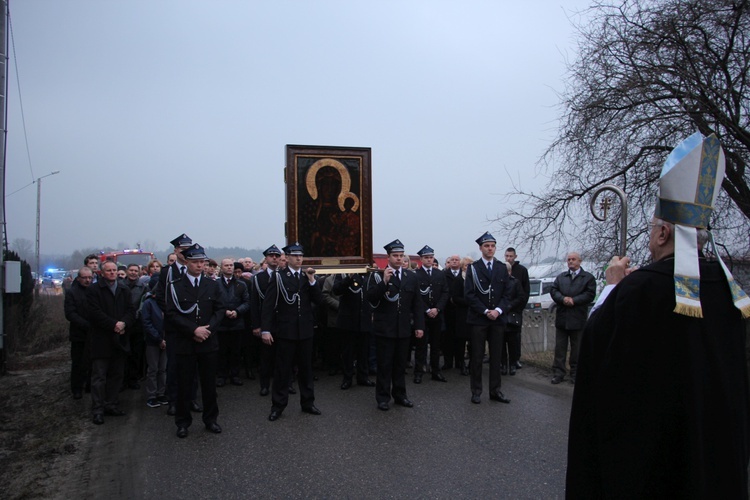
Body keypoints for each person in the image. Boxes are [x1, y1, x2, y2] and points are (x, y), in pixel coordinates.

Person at [566, 132, 750, 498]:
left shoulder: (638, 290)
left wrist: (613, 287)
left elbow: (597, 354)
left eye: (652, 231)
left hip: (655, 459)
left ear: (664, 232)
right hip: (713, 450)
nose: (650, 239)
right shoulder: (730, 291)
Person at [165, 243, 226, 438]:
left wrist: (208, 330)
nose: (200, 265)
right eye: (196, 262)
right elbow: (172, 314)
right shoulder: (175, 287)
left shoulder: (212, 284)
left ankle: (211, 419)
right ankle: (183, 422)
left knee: (209, 385)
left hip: (208, 342)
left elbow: (220, 309)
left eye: (202, 262)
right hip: (186, 342)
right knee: (185, 385)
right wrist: (193, 330)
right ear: (187, 262)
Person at [261, 243, 323, 421]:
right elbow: (268, 305)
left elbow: (318, 300)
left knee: (306, 370)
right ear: (286, 258)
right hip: (285, 331)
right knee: (282, 370)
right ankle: (278, 406)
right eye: (294, 256)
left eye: (301, 256)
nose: (298, 258)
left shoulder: (307, 276)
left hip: (305, 330)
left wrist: (312, 281)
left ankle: (308, 402)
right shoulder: (279, 277)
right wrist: (266, 329)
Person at [366, 239, 425, 411]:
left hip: (403, 328)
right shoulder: (378, 275)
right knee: (385, 365)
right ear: (389, 257)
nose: (398, 259)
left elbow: (417, 303)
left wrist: (419, 326)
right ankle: (383, 397)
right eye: (395, 256)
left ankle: (400, 395)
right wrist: (383, 282)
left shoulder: (411, 277)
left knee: (400, 365)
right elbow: (371, 298)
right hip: (385, 328)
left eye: (401, 256)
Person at [464, 232, 512, 405]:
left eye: (492, 246)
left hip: (497, 319)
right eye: (486, 246)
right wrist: (486, 311)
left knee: (496, 357)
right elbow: (469, 294)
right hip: (479, 319)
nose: (490, 249)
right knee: (477, 356)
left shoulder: (501, 267)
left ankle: (495, 390)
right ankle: (476, 391)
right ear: (481, 248)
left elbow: (507, 293)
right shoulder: (473, 268)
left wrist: (498, 310)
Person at [86, 260, 136, 424]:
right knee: (99, 376)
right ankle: (98, 409)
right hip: (101, 339)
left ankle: (111, 404)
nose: (112, 273)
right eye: (108, 271)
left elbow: (131, 310)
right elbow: (94, 312)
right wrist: (113, 324)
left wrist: (124, 323)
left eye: (114, 270)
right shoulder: (94, 290)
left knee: (117, 375)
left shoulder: (124, 289)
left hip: (120, 339)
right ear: (102, 272)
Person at [549, 252, 596, 384]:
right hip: (562, 318)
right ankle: (558, 372)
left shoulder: (587, 278)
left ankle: (575, 373)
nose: (570, 262)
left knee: (577, 349)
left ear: (579, 261)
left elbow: (590, 294)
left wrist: (574, 300)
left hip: (578, 319)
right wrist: (563, 299)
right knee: (560, 348)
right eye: (568, 260)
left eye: (573, 259)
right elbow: (554, 291)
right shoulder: (561, 277)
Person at [413, 245, 450, 383]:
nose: (429, 260)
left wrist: (437, 308)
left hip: (437, 315)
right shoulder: (416, 275)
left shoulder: (439, 274)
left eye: (431, 257)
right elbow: (416, 296)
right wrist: (427, 310)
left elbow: (445, 292)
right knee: (421, 346)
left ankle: (436, 371)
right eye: (426, 257)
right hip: (423, 316)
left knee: (436, 345)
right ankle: (418, 372)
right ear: (421, 259)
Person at [333, 270, 375, 389]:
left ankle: (363, 377)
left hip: (364, 319)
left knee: (364, 351)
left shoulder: (370, 274)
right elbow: (336, 290)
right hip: (348, 320)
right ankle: (347, 378)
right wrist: (349, 278)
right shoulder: (342, 274)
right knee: (348, 352)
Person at [250, 245, 282, 397]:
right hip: (266, 322)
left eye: (277, 256)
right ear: (266, 258)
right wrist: (257, 325)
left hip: (282, 322)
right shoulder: (258, 278)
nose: (274, 258)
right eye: (271, 256)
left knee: (283, 356)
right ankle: (264, 385)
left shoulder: (284, 275)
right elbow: (254, 304)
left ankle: (285, 383)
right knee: (266, 357)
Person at [215, 258, 251, 387]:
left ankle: (235, 375)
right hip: (221, 323)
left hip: (237, 322)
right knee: (222, 351)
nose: (229, 267)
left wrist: (237, 311)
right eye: (226, 265)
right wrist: (224, 311)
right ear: (222, 267)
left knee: (235, 351)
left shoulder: (241, 284)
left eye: (231, 265)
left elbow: (247, 302)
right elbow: (213, 302)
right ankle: (222, 375)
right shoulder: (215, 284)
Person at [64, 266, 93, 399]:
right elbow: (70, 314)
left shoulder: (95, 291)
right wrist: (86, 325)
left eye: (90, 278)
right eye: (84, 278)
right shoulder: (72, 292)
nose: (87, 280)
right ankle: (76, 388)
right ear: (78, 278)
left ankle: (89, 385)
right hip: (79, 334)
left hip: (94, 334)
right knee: (78, 362)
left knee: (92, 361)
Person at [503, 247, 530, 375]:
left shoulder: (522, 271)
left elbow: (524, 293)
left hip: (515, 312)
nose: (509, 258)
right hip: (502, 314)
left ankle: (515, 361)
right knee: (502, 340)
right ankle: (503, 363)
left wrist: (517, 308)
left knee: (514, 339)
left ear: (515, 256)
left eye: (511, 256)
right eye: (506, 256)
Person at [141, 291, 167, 408]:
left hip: (166, 341)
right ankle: (152, 395)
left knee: (163, 368)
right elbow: (146, 323)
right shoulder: (148, 303)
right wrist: (158, 339)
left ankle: (161, 393)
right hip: (153, 341)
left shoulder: (167, 302)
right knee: (153, 369)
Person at [441, 254, 462, 371]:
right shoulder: (444, 275)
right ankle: (447, 362)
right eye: (452, 260)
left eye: (456, 260)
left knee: (459, 338)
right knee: (447, 338)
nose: (454, 262)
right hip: (447, 310)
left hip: (460, 311)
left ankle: (459, 361)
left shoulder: (464, 275)